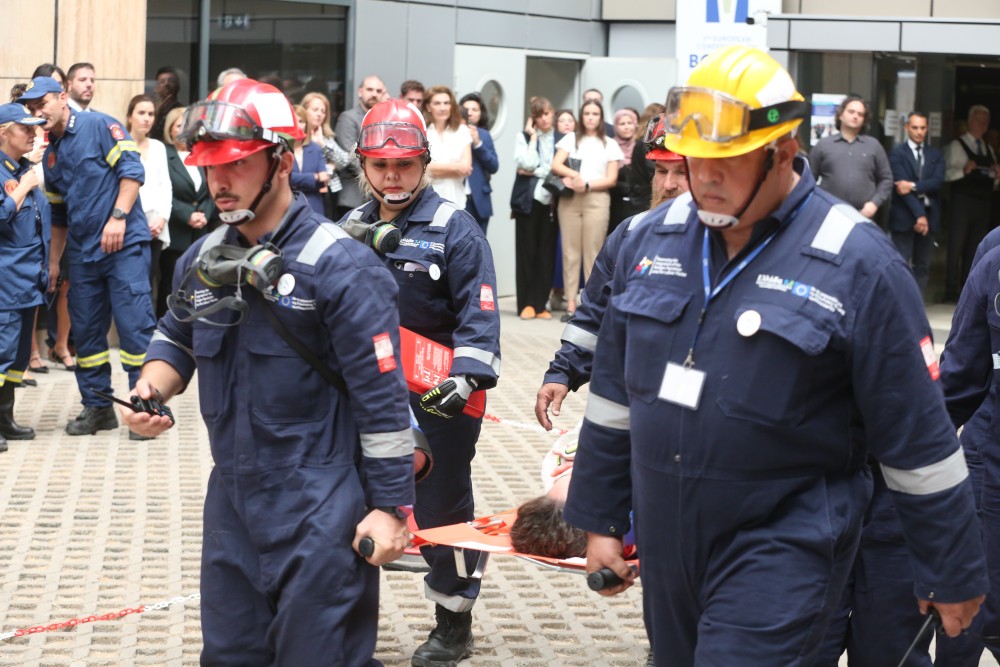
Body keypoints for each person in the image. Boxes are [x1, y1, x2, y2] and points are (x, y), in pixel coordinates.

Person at [562, 45, 986, 665]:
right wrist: (599, 516)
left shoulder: (860, 265)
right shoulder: (650, 240)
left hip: (787, 540)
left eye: (726, 163)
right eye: (696, 157)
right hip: (668, 535)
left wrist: (950, 567)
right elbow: (613, 398)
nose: (704, 177)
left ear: (782, 153)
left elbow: (918, 440)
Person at [120, 78, 415, 665]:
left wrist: (390, 509)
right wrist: (149, 388)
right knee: (230, 655)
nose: (217, 182)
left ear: (281, 161)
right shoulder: (201, 260)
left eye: (234, 165)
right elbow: (174, 340)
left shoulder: (342, 267)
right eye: (208, 166)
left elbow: (383, 403)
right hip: (232, 502)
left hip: (321, 504)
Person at [337, 98, 501, 667]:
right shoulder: (347, 229)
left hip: (437, 400)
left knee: (445, 513)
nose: (392, 177)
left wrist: (466, 379)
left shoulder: (456, 229)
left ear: (424, 163)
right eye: (380, 166)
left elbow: (480, 314)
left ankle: (453, 624)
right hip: (364, 398)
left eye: (404, 165)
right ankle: (344, 624)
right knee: (346, 506)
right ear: (363, 166)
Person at [20, 75, 156, 438]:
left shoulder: (100, 125)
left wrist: (119, 217)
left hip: (123, 245)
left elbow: (132, 172)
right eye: (31, 109)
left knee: (134, 328)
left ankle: (144, 410)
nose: (38, 112)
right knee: (87, 335)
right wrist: (52, 262)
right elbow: (60, 215)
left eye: (42, 104)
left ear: (62, 98)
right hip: (82, 254)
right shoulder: (51, 155)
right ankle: (98, 408)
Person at [536, 115, 688, 432]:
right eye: (661, 171)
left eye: (681, 173)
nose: (668, 185)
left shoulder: (726, 246)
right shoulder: (629, 235)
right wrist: (562, 373)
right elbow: (592, 317)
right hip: (624, 411)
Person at [0, 103, 49, 451]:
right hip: (5, 281)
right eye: (25, 128)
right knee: (1, 354)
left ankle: (5, 419)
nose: (33, 134)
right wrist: (22, 187)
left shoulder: (21, 168)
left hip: (30, 280)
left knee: (17, 359)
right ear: (4, 132)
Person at [550, 99, 622, 322]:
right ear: (582, 116)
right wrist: (574, 177)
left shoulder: (609, 143)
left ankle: (590, 304)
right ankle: (570, 304)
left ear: (601, 118)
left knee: (593, 252)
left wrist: (588, 185)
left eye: (595, 113)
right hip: (571, 198)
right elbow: (556, 164)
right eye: (587, 113)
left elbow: (612, 178)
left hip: (596, 199)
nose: (591, 117)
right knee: (570, 252)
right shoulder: (572, 138)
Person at [158, 106, 216, 319]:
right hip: (176, 232)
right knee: (171, 285)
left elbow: (212, 189)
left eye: (188, 126)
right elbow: (162, 191)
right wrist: (187, 214)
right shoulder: (164, 154)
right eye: (179, 125)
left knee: (198, 287)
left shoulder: (201, 154)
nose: (184, 130)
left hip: (201, 232)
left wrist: (204, 214)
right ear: (170, 130)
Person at [944, 104, 999, 301]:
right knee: (955, 246)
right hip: (962, 202)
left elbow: (993, 182)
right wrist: (963, 171)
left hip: (983, 204)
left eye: (985, 121)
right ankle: (949, 291)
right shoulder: (956, 146)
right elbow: (944, 175)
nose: (982, 124)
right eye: (978, 120)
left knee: (976, 248)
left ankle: (967, 290)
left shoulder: (988, 149)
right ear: (969, 121)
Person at [888, 111, 945, 298]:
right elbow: (899, 187)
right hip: (905, 216)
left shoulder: (935, 154)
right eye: (915, 127)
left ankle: (916, 305)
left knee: (922, 265)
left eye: (923, 128)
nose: (919, 132)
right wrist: (919, 215)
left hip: (930, 215)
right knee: (900, 264)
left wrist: (912, 185)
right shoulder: (897, 153)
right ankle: (898, 304)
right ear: (906, 128)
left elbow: (937, 182)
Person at [511, 96, 558, 321]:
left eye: (547, 113)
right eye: (539, 115)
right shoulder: (523, 136)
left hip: (552, 201)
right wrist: (532, 138)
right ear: (533, 118)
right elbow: (527, 164)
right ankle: (527, 303)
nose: (544, 119)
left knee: (546, 253)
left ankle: (540, 304)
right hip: (528, 201)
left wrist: (539, 171)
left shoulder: (561, 138)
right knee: (527, 251)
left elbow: (556, 169)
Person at [808, 94, 892, 219]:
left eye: (860, 114)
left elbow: (886, 179)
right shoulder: (823, 145)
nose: (855, 116)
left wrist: (874, 203)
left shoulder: (873, 145)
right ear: (841, 115)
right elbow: (808, 180)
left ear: (864, 120)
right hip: (829, 215)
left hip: (863, 216)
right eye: (851, 111)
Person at [125, 94, 172, 308]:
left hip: (155, 225)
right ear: (129, 117)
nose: (147, 118)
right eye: (141, 113)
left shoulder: (159, 147)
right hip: (129, 224)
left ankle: (146, 334)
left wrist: (162, 218)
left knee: (149, 281)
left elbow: (165, 186)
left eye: (151, 114)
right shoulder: (121, 144)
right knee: (128, 281)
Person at [333, 75, 386, 218]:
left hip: (378, 200)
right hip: (353, 199)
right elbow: (351, 156)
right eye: (370, 89)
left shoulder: (385, 120)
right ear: (360, 92)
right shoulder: (348, 118)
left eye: (378, 91)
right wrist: (380, 177)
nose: (374, 94)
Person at [300, 91, 351, 217]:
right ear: (304, 110)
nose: (319, 114)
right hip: (303, 190)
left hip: (327, 193)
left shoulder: (327, 137)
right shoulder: (297, 136)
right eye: (315, 109)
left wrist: (323, 144)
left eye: (323, 111)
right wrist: (329, 166)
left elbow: (345, 160)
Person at [423, 85, 472, 210]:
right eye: (437, 103)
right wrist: (456, 168)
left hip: (458, 202)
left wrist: (436, 169)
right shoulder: (422, 132)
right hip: (429, 203)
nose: (443, 108)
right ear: (428, 106)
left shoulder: (462, 131)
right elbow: (423, 169)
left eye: (446, 103)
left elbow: (466, 168)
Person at [459, 92, 498, 234]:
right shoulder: (452, 133)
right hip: (456, 195)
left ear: (481, 113)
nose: (470, 113)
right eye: (466, 109)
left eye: (475, 110)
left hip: (479, 200)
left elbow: (494, 166)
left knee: (479, 245)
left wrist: (478, 144)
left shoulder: (484, 135)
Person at [289, 104, 330, 215]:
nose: (298, 125)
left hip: (313, 206)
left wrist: (297, 180)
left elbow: (324, 181)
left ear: (306, 125)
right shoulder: (282, 148)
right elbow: (286, 178)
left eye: (301, 121)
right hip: (288, 205)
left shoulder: (315, 148)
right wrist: (314, 177)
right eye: (294, 121)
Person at [629, 103, 666, 216]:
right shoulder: (648, 145)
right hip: (648, 201)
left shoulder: (639, 142)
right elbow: (653, 171)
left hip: (639, 198)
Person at [608, 108, 639, 233]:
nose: (626, 127)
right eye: (622, 124)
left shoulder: (641, 146)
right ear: (615, 126)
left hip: (636, 204)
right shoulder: (609, 145)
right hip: (613, 203)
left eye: (629, 123)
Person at [149, 66, 182, 142]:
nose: (167, 84)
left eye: (171, 81)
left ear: (178, 86)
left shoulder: (179, 109)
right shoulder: (152, 107)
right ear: (156, 87)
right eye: (162, 81)